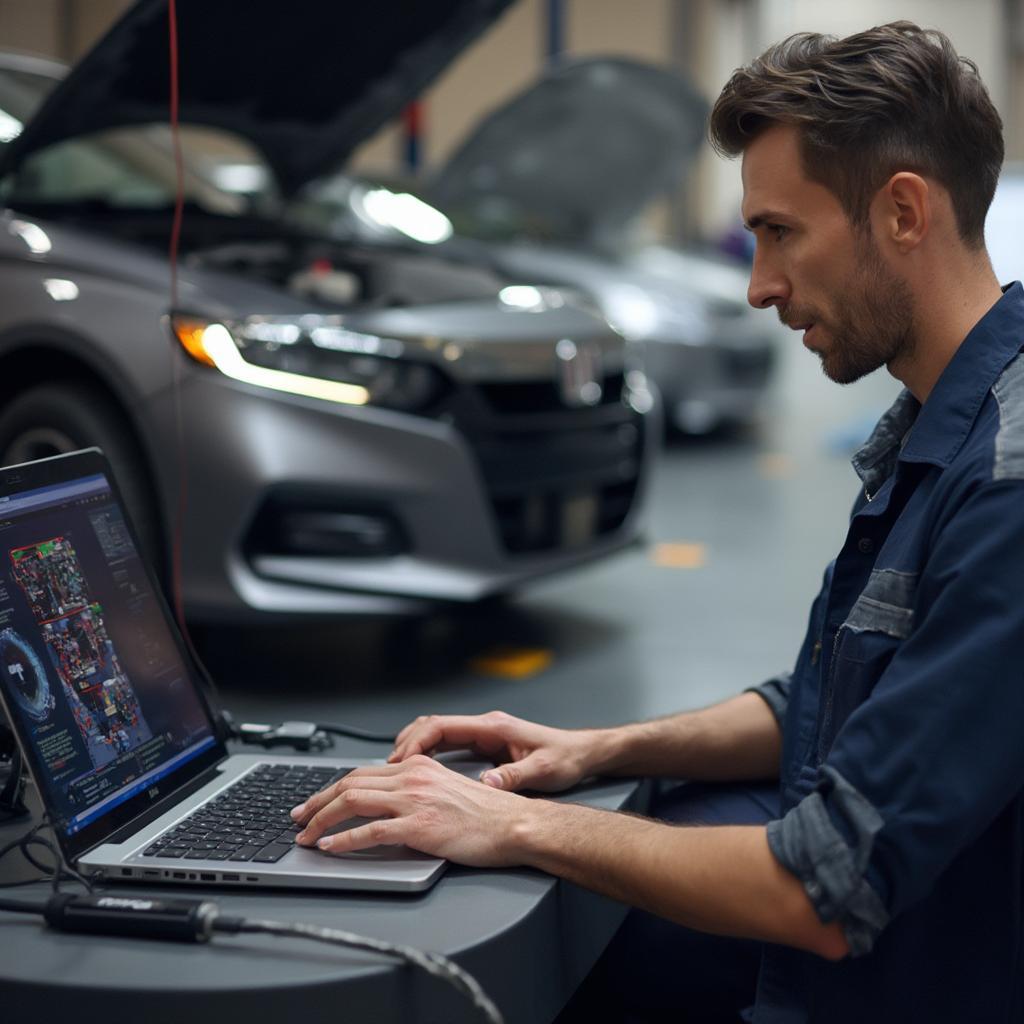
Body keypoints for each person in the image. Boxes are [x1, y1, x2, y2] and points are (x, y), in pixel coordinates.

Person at [291, 22, 1024, 1023]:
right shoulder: (942, 419)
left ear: (902, 212)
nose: (760, 285)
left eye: (780, 232)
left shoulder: (1005, 484)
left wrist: (509, 823)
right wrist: (594, 748)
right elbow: (828, 694)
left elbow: (826, 886)